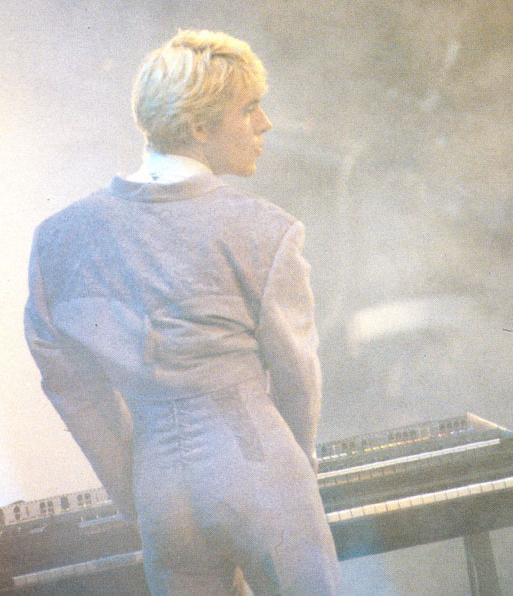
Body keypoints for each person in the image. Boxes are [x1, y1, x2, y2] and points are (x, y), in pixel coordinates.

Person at [24, 29, 341, 595]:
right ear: (199, 127)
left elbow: (72, 391)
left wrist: (136, 493)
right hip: (259, 465)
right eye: (249, 108)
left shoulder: (57, 238)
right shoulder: (264, 229)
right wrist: (293, 471)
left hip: (159, 490)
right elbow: (297, 375)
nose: (265, 123)